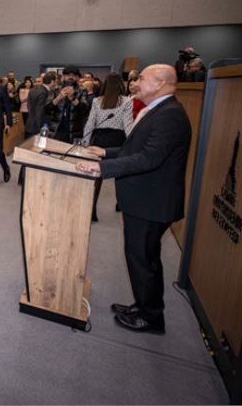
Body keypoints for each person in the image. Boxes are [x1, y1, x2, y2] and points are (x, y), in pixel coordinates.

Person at [76, 64, 192, 334]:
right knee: (141, 256)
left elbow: (149, 158)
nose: (136, 82)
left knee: (143, 258)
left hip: (152, 202)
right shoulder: (159, 110)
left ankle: (151, 318)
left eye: (142, 78)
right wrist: (105, 152)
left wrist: (101, 168)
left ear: (160, 83)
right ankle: (143, 305)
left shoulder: (170, 115)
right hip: (145, 200)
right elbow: (133, 149)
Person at [82, 73, 134, 222]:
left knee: (96, 176)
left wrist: (85, 143)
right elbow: (128, 125)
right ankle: (120, 205)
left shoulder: (98, 101)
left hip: (99, 140)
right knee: (120, 173)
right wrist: (132, 143)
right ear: (121, 85)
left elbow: (90, 123)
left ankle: (92, 210)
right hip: (118, 140)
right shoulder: (126, 101)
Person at [48, 65, 90, 143]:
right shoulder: (55, 89)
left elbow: (84, 110)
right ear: (63, 76)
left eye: (74, 75)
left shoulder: (82, 90)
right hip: (56, 130)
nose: (71, 77)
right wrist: (59, 97)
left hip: (74, 132)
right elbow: (47, 108)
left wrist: (72, 98)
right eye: (68, 75)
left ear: (77, 78)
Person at [24, 72, 56, 137]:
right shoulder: (44, 92)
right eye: (55, 81)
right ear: (52, 81)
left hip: (29, 124)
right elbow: (39, 111)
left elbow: (29, 106)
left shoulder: (32, 90)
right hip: (38, 127)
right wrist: (39, 130)